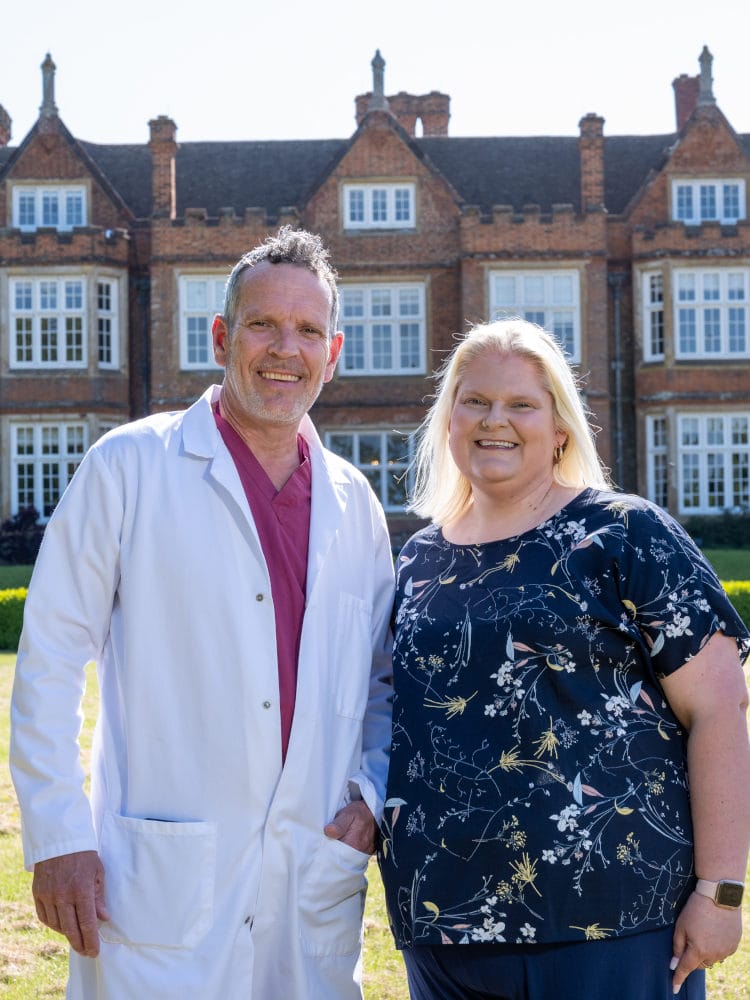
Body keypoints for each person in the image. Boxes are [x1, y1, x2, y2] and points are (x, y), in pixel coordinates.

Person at [10, 227, 395, 1000]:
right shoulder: (128, 467)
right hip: (159, 883)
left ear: (334, 351)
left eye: (308, 331)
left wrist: (372, 798)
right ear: (220, 336)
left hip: (310, 879)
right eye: (262, 324)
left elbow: (384, 683)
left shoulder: (357, 503)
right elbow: (50, 658)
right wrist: (57, 839)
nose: (285, 348)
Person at [378, 318, 750, 1000]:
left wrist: (721, 891)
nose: (496, 421)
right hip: (442, 927)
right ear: (449, 419)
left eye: (521, 404)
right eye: (476, 401)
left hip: (611, 922)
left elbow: (720, 709)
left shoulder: (624, 534)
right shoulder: (416, 562)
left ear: (560, 429)